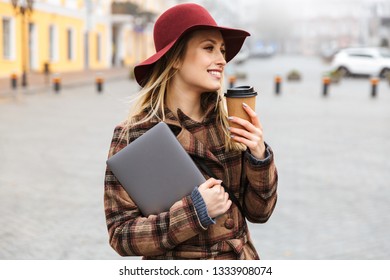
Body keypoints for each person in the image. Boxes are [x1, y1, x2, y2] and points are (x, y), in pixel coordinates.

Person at [104, 3, 278, 260]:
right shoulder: (135, 135)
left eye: (222, 50)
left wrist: (259, 156)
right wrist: (195, 212)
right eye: (209, 48)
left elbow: (260, 212)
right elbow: (121, 235)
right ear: (174, 58)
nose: (221, 59)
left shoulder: (228, 124)